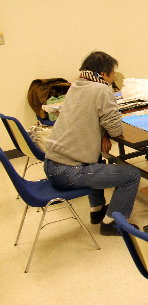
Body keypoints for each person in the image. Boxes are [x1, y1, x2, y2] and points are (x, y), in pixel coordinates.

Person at [43, 51, 140, 236]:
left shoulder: (76, 86)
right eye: (113, 73)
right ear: (103, 74)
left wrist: (102, 135)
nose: (114, 77)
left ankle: (97, 210)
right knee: (132, 175)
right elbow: (115, 129)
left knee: (95, 159)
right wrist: (108, 132)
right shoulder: (102, 89)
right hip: (69, 172)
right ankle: (112, 224)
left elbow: (89, 118)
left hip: (51, 165)